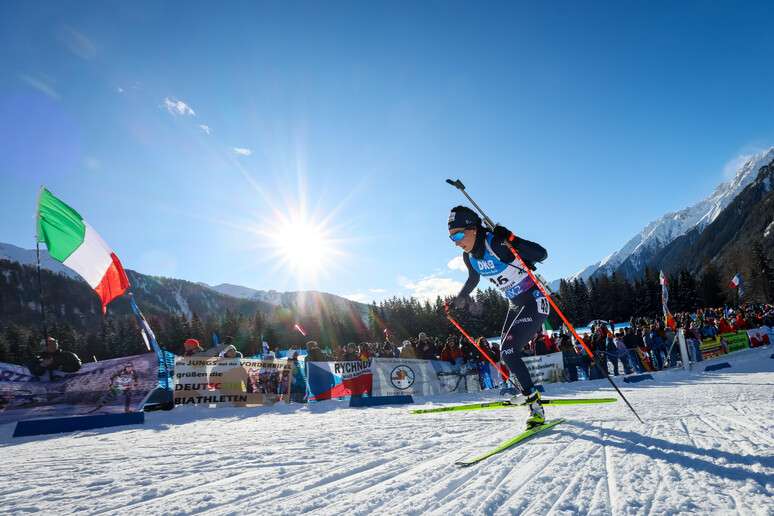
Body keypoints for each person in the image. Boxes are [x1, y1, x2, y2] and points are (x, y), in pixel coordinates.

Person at [448, 205, 549, 428]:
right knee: (506, 353)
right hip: (515, 305)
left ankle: (535, 407)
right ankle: (528, 391)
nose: (456, 242)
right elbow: (473, 280)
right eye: (451, 238)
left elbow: (541, 254)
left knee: (509, 351)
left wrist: (512, 239)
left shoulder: (494, 243)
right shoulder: (468, 256)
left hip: (534, 301)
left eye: (458, 235)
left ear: (473, 229)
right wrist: (457, 301)